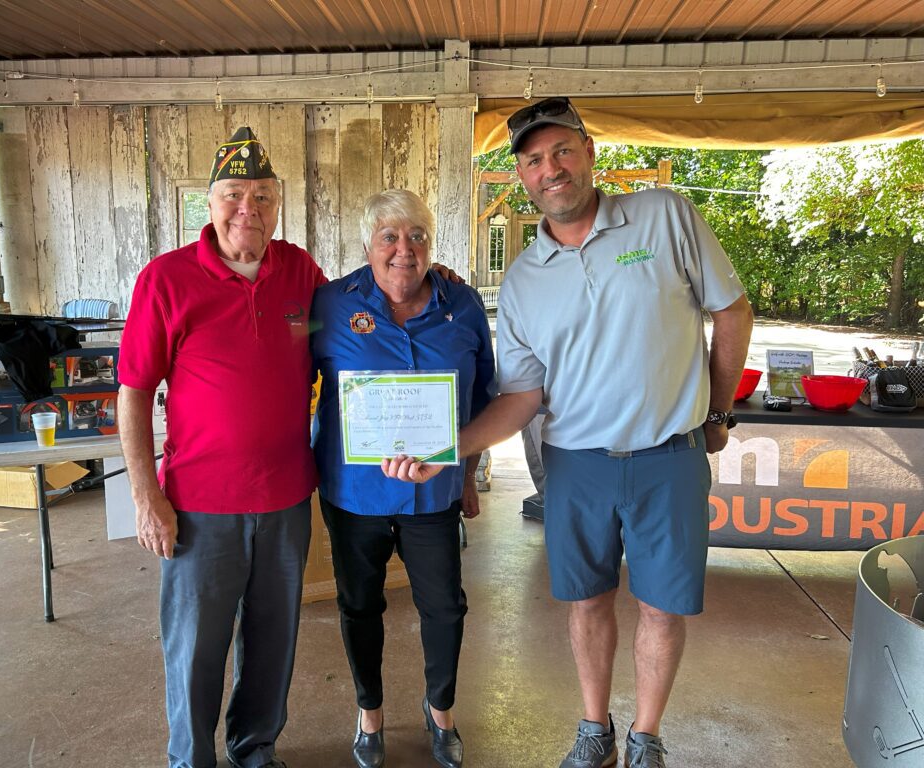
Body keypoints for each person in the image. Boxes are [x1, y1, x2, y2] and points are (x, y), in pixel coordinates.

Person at [384, 97, 754, 768]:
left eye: (561, 152)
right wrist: (447, 450)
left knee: (663, 608)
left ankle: (645, 735)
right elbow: (524, 396)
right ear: (521, 176)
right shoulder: (525, 278)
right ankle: (595, 730)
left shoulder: (664, 215)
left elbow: (732, 313)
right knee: (585, 604)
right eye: (532, 160)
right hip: (575, 464)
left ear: (589, 154)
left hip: (670, 455)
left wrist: (718, 413)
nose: (549, 168)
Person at [118, 127, 325, 768]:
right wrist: (146, 496)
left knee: (272, 641)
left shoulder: (300, 271)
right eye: (234, 194)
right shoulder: (167, 279)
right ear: (209, 204)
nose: (249, 209)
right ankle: (191, 759)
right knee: (196, 647)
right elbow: (132, 393)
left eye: (263, 196)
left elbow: (362, 313)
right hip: (199, 504)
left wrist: (430, 275)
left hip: (287, 496)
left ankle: (254, 748)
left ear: (278, 204)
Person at [311, 189, 494, 768]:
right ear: (367, 244)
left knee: (445, 607)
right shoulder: (331, 304)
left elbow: (484, 395)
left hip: (433, 494)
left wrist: (467, 474)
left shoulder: (460, 304)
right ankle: (370, 715)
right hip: (355, 494)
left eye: (416, 235)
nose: (403, 249)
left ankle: (440, 712)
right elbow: (282, 377)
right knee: (359, 606)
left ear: (431, 244)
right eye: (389, 236)